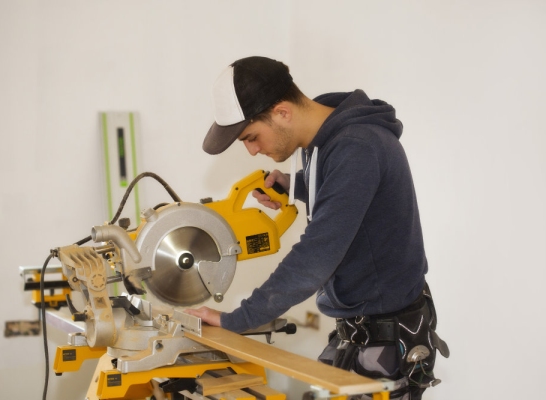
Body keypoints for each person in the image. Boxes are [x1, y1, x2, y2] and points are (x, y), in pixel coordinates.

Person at [186, 56, 448, 400]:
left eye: (251, 137)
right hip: (358, 331)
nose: (252, 151)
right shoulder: (326, 140)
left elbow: (316, 256)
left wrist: (239, 318)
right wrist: (293, 186)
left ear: (282, 112)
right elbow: (349, 194)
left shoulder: (357, 146)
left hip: (388, 339)